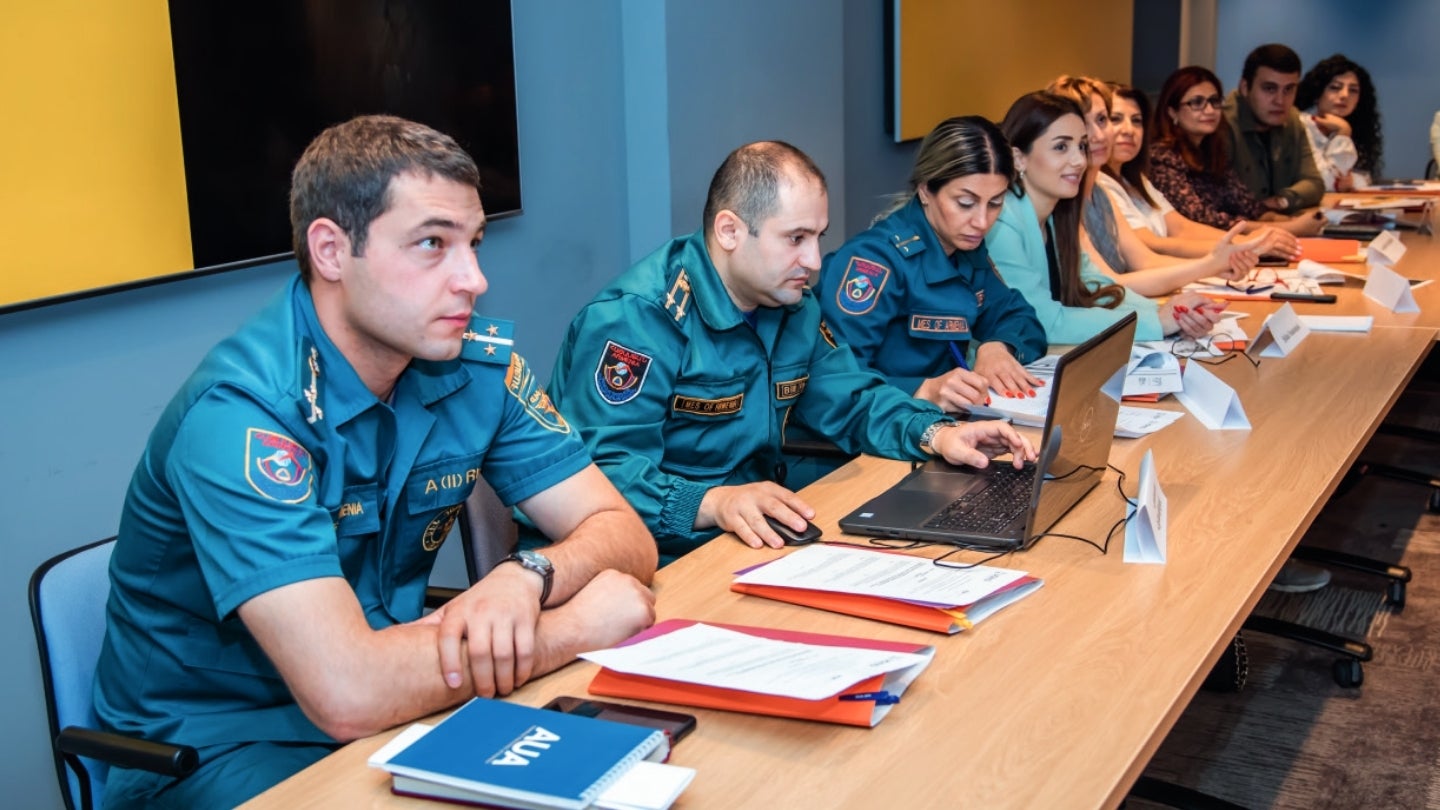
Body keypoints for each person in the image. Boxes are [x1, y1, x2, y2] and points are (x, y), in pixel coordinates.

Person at [93, 116, 660, 809]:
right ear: (332, 251)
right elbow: (346, 692)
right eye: (432, 244)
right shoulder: (243, 417)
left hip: (404, 696)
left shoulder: (472, 364)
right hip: (218, 752)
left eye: (473, 243)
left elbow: (622, 533)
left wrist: (528, 577)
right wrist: (573, 626)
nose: (474, 279)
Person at [545, 141, 1037, 563]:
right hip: (654, 553)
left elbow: (854, 399)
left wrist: (938, 432)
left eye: (818, 238)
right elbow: (600, 475)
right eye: (795, 239)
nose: (815, 262)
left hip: (752, 539)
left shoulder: (791, 304)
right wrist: (714, 502)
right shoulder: (638, 321)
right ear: (730, 231)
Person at [816, 116, 1047, 410]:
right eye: (965, 203)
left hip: (943, 428)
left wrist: (998, 347)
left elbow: (1022, 318)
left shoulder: (964, 247)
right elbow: (835, 383)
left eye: (995, 203)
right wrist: (922, 390)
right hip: (876, 436)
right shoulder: (873, 262)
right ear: (926, 190)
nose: (981, 221)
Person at [985, 91, 1223, 346]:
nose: (1079, 160)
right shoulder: (1002, 219)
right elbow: (1042, 320)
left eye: (1081, 146)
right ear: (1019, 158)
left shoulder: (1056, 215)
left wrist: (1171, 313)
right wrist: (1156, 323)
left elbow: (1096, 287)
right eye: (1061, 147)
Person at [1046, 75, 1260, 298]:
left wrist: (1216, 266)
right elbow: (1108, 284)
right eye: (1083, 123)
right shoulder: (1063, 200)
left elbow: (1146, 260)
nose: (1098, 135)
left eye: (1102, 120)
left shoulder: (1100, 191)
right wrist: (1210, 265)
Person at [1099, 83, 1300, 263]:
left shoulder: (1134, 178)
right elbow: (1150, 245)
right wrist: (1245, 245)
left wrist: (1247, 241)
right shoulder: (1101, 182)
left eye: (1136, 121)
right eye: (1115, 119)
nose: (1129, 130)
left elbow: (1181, 227)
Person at [1148, 66, 1325, 237]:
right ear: (1172, 112)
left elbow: (1249, 207)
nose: (1209, 110)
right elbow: (1201, 220)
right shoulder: (1162, 156)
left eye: (1214, 101)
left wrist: (1290, 221)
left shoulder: (1210, 151)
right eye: (1196, 103)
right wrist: (1290, 228)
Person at [1222, 43, 1325, 212]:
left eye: (1289, 90)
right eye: (1269, 89)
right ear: (1245, 87)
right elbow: (1222, 201)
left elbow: (1314, 183)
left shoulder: (1292, 118)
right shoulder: (1221, 125)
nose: (1280, 101)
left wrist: (1282, 201)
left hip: (1277, 227)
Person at [1296, 54, 1383, 191]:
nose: (1344, 95)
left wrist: (1352, 180)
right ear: (1317, 93)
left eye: (1353, 90)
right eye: (1335, 87)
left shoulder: (1358, 129)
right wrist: (1343, 133)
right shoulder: (1300, 125)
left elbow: (1365, 178)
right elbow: (1324, 183)